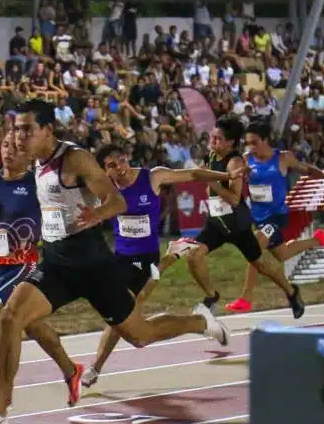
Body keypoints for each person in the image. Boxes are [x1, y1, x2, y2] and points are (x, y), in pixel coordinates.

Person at [0, 99, 229, 424]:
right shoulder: (35, 166)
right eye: (16, 129)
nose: (19, 137)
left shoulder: (74, 159)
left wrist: (97, 215)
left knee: (139, 335)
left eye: (27, 130)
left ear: (47, 130)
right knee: (10, 318)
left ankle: (198, 320)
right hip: (58, 262)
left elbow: (117, 201)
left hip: (94, 266)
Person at [81, 143, 245, 388]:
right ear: (105, 172)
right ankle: (199, 319)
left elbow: (194, 174)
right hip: (121, 259)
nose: (120, 168)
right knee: (120, 320)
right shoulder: (105, 189)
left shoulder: (152, 177)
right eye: (112, 166)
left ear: (128, 158)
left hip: (145, 259)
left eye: (122, 160)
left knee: (123, 319)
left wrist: (227, 176)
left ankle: (95, 368)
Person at [0, 130, 84, 423]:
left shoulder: (35, 184)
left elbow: (60, 212)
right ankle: (72, 370)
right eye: (5, 145)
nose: (9, 151)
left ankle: (3, 395)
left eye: (17, 148)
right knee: (32, 325)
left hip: (23, 265)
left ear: (29, 154)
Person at [163, 116, 308, 323]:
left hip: (237, 225)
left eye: (218, 138)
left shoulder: (235, 162)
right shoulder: (212, 154)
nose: (212, 141)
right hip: (216, 223)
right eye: (212, 137)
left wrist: (211, 182)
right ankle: (212, 296)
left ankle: (291, 291)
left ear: (230, 142)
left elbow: (233, 198)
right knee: (194, 257)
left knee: (262, 266)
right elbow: (205, 178)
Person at [224, 121, 324, 313]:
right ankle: (317, 240)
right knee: (282, 254)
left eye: (254, 142)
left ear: (265, 140)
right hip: (258, 218)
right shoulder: (246, 159)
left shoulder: (283, 158)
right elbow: (231, 174)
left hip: (277, 216)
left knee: (254, 246)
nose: (250, 147)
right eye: (247, 143)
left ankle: (246, 298)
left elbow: (307, 169)